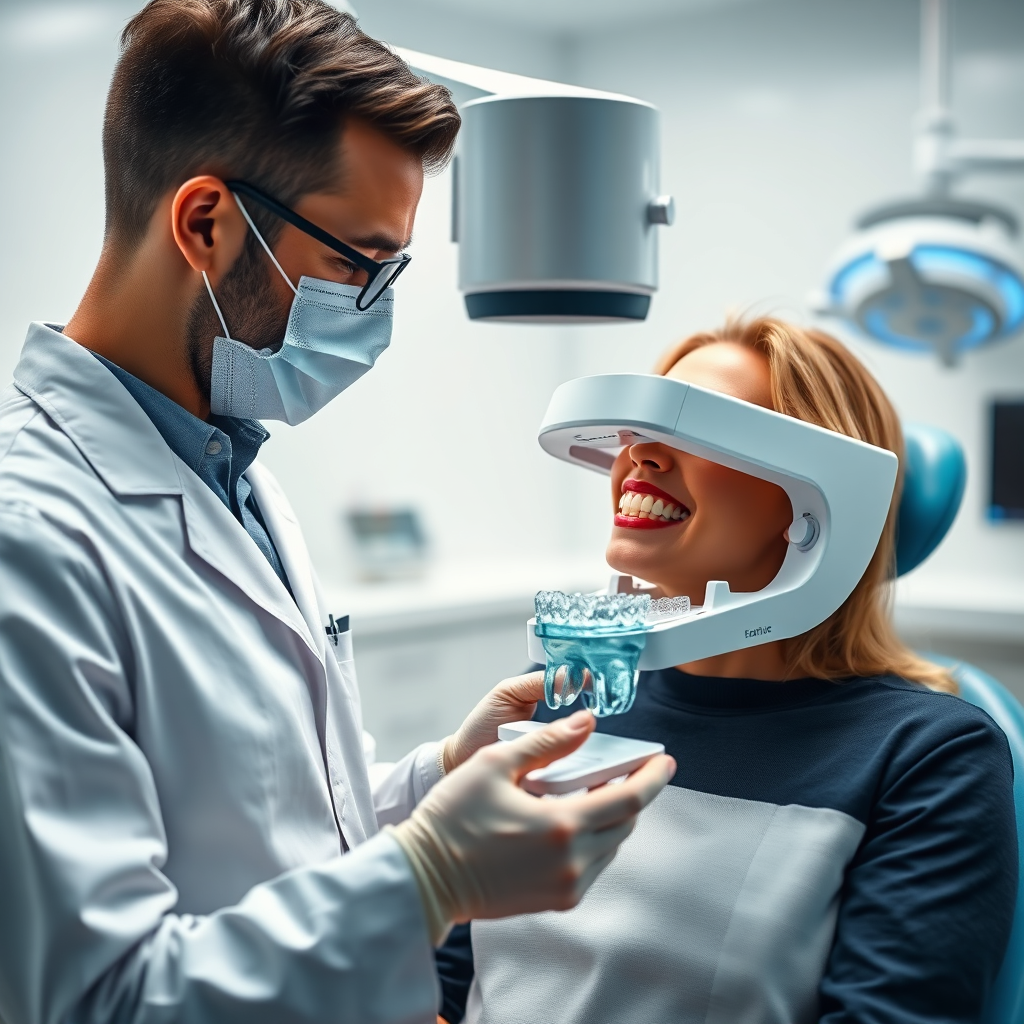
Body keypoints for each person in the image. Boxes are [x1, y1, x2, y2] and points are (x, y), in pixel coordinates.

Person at [0, 4, 676, 1023]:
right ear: (204, 223)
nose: (376, 313)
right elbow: (98, 996)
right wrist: (430, 875)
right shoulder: (29, 539)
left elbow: (268, 828)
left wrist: (435, 780)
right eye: (357, 265)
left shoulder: (231, 465)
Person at [436, 318, 1018, 1024]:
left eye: (699, 430)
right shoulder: (574, 687)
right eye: (639, 428)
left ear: (816, 498)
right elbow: (450, 968)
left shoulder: (927, 755)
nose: (640, 454)